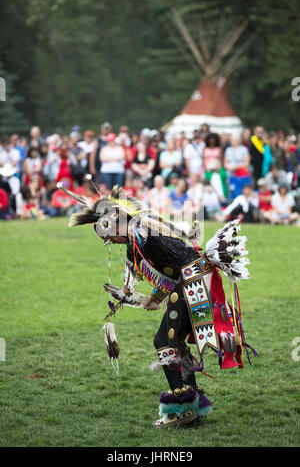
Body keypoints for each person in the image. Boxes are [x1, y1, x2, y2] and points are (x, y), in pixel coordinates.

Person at [57, 182, 254, 429]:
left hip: (193, 279)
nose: (112, 241)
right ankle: (190, 402)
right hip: (192, 278)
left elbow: (150, 247)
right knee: (173, 341)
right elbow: (169, 267)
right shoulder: (140, 232)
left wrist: (130, 282)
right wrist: (154, 298)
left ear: (116, 221)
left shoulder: (140, 227)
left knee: (164, 341)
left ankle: (182, 408)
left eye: (110, 234)